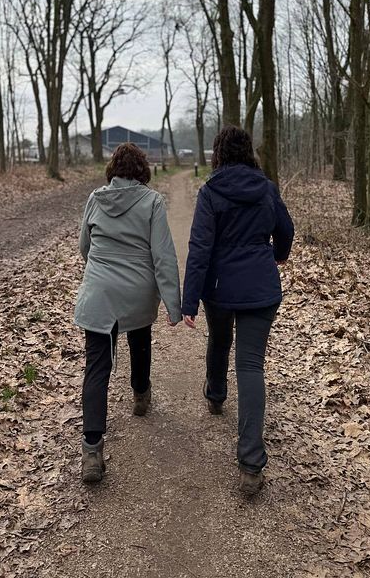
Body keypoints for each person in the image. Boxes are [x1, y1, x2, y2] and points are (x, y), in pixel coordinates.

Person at [182, 125, 294, 496]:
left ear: (218, 154)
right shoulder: (267, 188)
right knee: (250, 366)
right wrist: (277, 255)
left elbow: (200, 248)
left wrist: (190, 300)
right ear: (248, 152)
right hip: (261, 288)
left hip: (219, 288)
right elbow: (286, 230)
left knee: (219, 338)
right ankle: (251, 464)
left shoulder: (211, 191)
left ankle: (215, 394)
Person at [75, 143, 182, 483]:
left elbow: (84, 246)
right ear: (143, 171)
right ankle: (140, 393)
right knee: (139, 336)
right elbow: (163, 256)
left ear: (113, 170)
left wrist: (102, 269)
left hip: (99, 292)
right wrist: (174, 305)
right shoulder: (152, 202)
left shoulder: (96, 199)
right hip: (137, 289)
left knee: (97, 366)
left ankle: (92, 450)